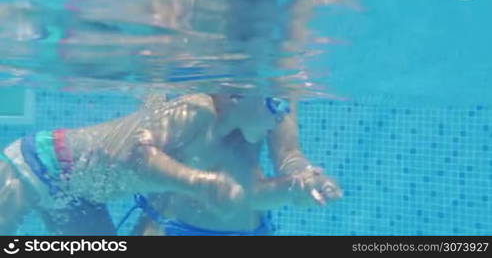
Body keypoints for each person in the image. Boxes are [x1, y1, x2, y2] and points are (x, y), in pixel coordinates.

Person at [0, 92, 341, 235]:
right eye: (276, 104)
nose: (282, 114)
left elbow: (288, 153)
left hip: (79, 194)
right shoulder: (196, 109)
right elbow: (135, 155)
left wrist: (301, 178)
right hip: (37, 165)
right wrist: (199, 182)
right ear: (237, 94)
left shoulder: (258, 103)